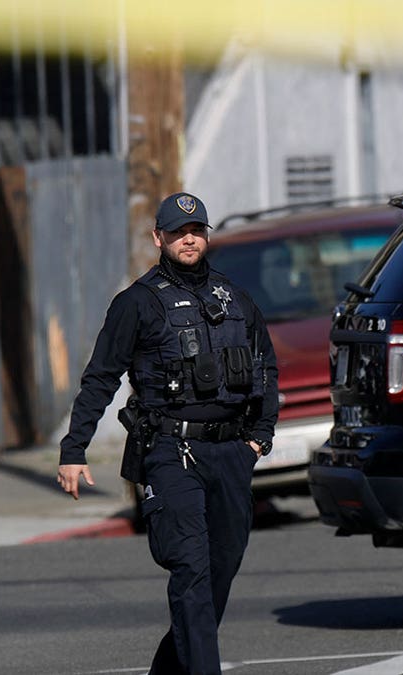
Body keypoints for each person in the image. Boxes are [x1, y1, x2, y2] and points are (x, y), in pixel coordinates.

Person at [56, 192, 278, 674]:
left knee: (219, 574)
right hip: (170, 452)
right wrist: (74, 449)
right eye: (178, 232)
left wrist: (259, 438)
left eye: (196, 230)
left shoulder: (235, 298)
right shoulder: (136, 303)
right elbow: (100, 378)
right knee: (191, 575)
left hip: (231, 453)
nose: (188, 239)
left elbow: (266, 366)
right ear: (159, 238)